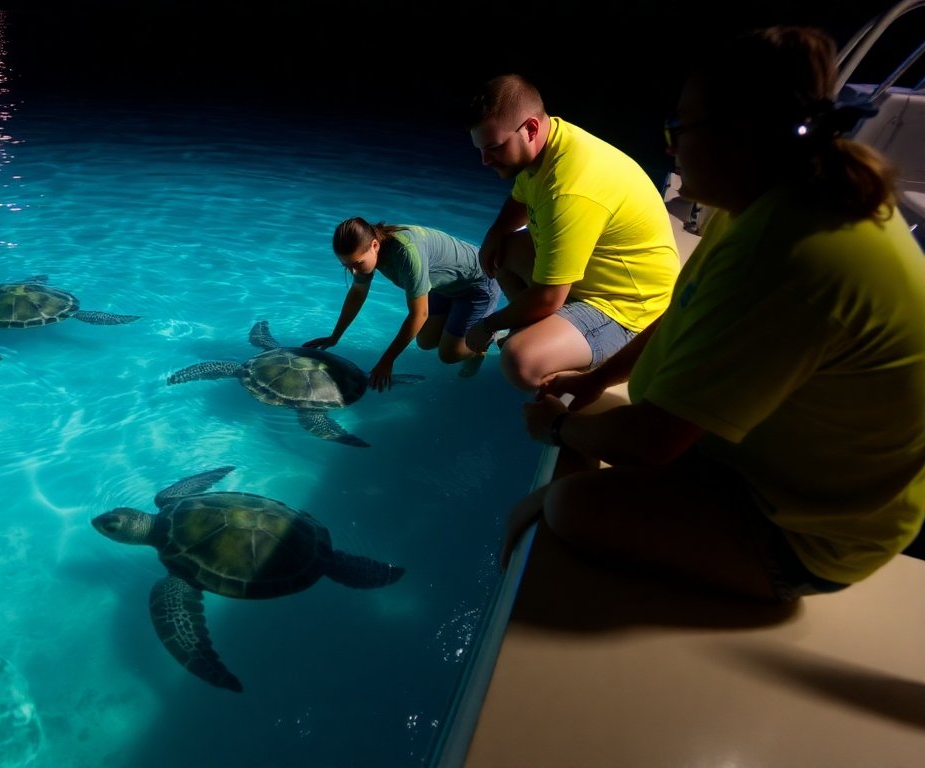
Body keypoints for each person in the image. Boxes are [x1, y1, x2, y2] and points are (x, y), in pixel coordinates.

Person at [505, 25, 925, 601]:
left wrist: (555, 427)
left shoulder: (788, 250)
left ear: (741, 136)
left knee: (568, 508)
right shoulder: (771, 197)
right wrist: (597, 377)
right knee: (566, 480)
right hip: (759, 465)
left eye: (679, 130)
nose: (670, 147)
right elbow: (682, 317)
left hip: (806, 532)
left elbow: (651, 441)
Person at [463, 74, 680, 392]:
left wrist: (487, 325)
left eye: (494, 148)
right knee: (501, 253)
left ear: (531, 129)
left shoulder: (568, 189)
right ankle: (551, 334)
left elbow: (549, 297)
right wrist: (495, 233)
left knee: (518, 361)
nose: (484, 161)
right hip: (595, 276)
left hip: (630, 308)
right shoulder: (551, 142)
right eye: (481, 149)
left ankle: (600, 362)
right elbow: (520, 198)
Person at [305, 218, 502, 390]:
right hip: (443, 286)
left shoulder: (406, 254)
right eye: (346, 265)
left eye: (357, 263)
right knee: (426, 343)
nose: (353, 271)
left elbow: (419, 315)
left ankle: (490, 334)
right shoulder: (367, 252)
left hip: (477, 283)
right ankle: (461, 329)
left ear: (374, 245)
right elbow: (357, 292)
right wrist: (335, 336)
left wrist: (387, 361)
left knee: (448, 355)